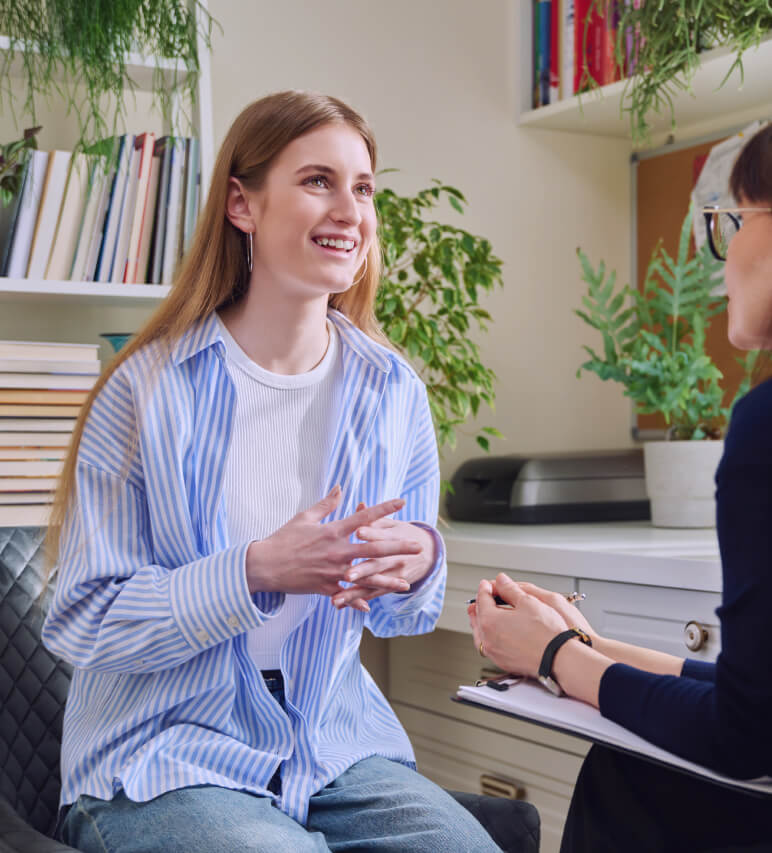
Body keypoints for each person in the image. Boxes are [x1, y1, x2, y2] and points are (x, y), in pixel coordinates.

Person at [42, 91, 501, 853]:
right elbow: (83, 620)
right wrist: (253, 571)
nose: (349, 210)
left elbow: (401, 616)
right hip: (165, 753)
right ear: (241, 204)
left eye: (363, 188)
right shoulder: (145, 388)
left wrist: (419, 559)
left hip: (333, 748)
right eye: (318, 180)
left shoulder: (392, 390)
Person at [468, 122, 772, 853]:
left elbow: (746, 736)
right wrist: (593, 646)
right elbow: (758, 691)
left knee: (626, 768)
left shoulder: (763, 429)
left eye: (734, 220)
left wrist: (555, 661)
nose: (724, 255)